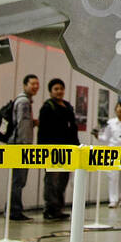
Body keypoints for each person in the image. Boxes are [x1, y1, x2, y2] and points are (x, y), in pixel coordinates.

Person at [37, 78, 79, 220]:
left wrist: (76, 146)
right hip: (52, 151)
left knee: (62, 180)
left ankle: (58, 209)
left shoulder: (67, 106)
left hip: (67, 150)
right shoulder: (47, 107)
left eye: (61, 88)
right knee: (52, 181)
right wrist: (43, 150)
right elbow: (42, 131)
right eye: (56, 89)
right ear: (50, 91)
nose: (59, 91)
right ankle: (50, 209)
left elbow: (73, 128)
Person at [7, 73, 39, 221]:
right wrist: (26, 147)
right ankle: (14, 210)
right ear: (25, 85)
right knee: (18, 180)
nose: (35, 87)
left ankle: (13, 208)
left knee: (17, 180)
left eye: (37, 84)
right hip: (20, 146)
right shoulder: (24, 102)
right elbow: (23, 125)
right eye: (32, 84)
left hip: (17, 144)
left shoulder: (22, 101)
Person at [96, 98, 121, 207]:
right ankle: (113, 200)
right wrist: (97, 136)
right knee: (112, 176)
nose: (119, 110)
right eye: (117, 108)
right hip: (113, 151)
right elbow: (105, 138)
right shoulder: (110, 123)